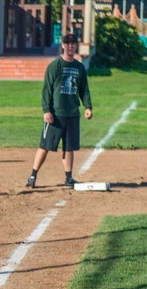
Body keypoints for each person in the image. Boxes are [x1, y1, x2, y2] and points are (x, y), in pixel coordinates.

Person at [24, 33, 92, 189]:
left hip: (73, 114)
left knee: (69, 147)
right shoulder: (55, 66)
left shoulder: (79, 67)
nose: (70, 46)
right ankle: (33, 176)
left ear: (76, 46)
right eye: (67, 43)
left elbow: (84, 90)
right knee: (45, 145)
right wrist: (46, 110)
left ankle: (68, 177)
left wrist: (88, 106)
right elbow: (46, 90)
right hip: (56, 115)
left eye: (73, 43)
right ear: (63, 45)